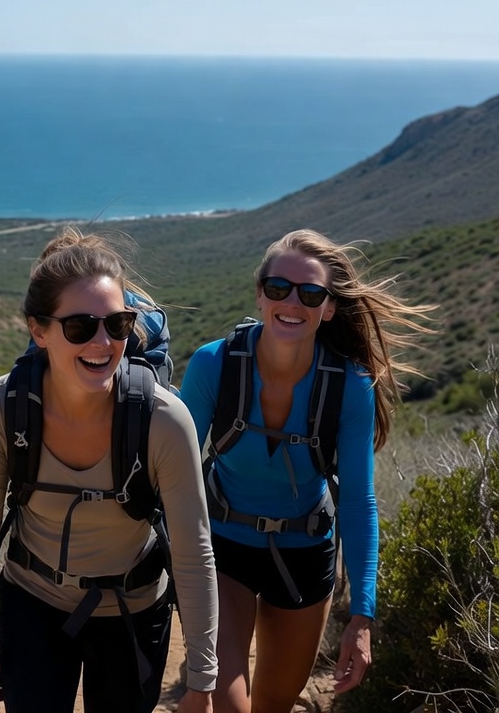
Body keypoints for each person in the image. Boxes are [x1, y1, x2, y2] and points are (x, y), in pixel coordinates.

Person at [0, 228, 218, 713]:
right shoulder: (1, 406)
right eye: (80, 327)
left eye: (117, 324)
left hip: (133, 608)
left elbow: (193, 552)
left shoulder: (163, 419)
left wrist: (202, 680)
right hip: (32, 600)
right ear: (39, 331)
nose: (103, 342)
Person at [178, 229, 434, 713]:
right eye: (278, 288)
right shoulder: (215, 365)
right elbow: (174, 474)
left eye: (311, 293)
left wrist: (362, 616)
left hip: (305, 552)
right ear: (260, 294)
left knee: (273, 704)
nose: (292, 302)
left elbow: (358, 503)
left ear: (329, 308)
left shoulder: (350, 386)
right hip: (223, 545)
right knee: (226, 701)